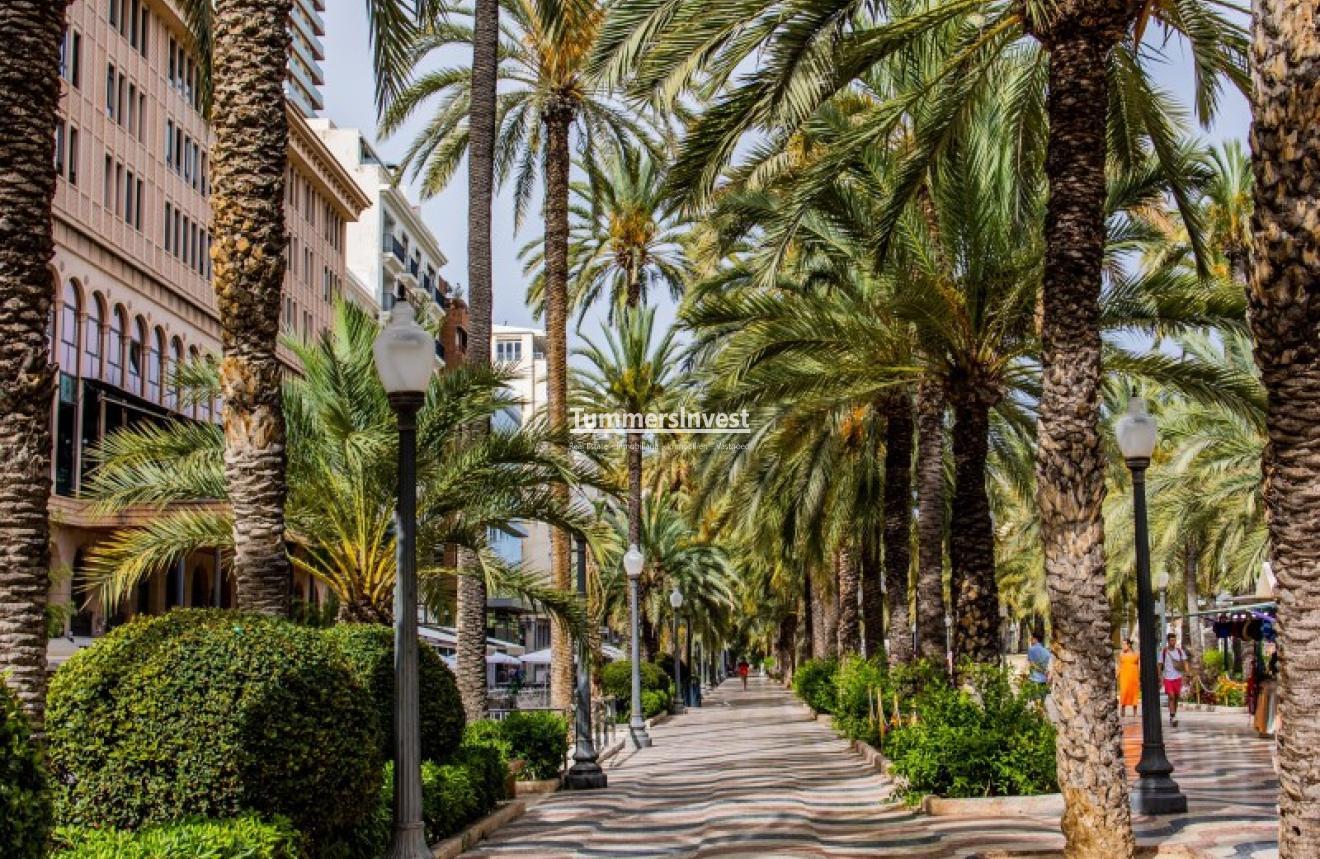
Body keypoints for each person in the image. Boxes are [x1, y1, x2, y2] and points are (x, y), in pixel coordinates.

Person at [1159, 632, 1186, 727]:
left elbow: (1185, 662)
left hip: (1177, 677)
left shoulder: (1179, 651)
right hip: (1168, 678)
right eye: (1171, 640)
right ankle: (1172, 715)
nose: (1173, 642)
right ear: (1168, 641)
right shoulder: (1164, 652)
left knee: (1176, 697)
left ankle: (1174, 714)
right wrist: (1159, 676)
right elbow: (1160, 665)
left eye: (1174, 640)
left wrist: (1187, 672)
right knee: (1171, 696)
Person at [1026, 630, 1052, 701]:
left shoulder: (1031, 650)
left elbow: (1032, 665)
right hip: (1044, 680)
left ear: (1035, 639)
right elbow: (1050, 665)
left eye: (1031, 638)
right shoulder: (1046, 651)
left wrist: (1043, 671)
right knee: (1042, 703)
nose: (1030, 640)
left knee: (1036, 703)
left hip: (1034, 679)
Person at [1117, 638, 1140, 717]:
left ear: (1129, 645)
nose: (1122, 646)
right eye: (1122, 644)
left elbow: (1139, 666)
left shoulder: (1136, 654)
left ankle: (1135, 712)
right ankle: (1122, 711)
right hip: (1124, 677)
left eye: (1124, 644)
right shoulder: (1121, 654)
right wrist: (1116, 675)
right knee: (1124, 693)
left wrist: (1140, 677)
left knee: (1134, 693)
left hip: (1134, 677)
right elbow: (1119, 666)